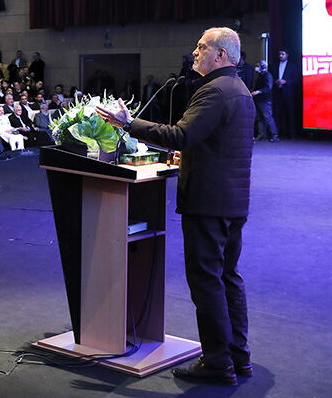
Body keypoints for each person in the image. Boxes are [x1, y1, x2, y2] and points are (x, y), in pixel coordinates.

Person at [97, 27, 253, 385]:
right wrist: (194, 156)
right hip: (232, 200)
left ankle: (218, 363)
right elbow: (222, 145)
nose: (194, 52)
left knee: (207, 282)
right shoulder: (239, 89)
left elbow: (180, 134)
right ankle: (238, 357)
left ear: (221, 55)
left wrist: (128, 123)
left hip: (208, 203)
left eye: (202, 47)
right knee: (228, 278)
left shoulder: (213, 90)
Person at [250, 60, 277, 142]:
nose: (256, 67)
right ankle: (262, 135)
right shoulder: (260, 75)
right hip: (259, 99)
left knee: (268, 118)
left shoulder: (267, 75)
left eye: (258, 66)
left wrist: (258, 91)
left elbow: (268, 87)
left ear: (262, 66)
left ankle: (274, 135)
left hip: (265, 100)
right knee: (260, 118)